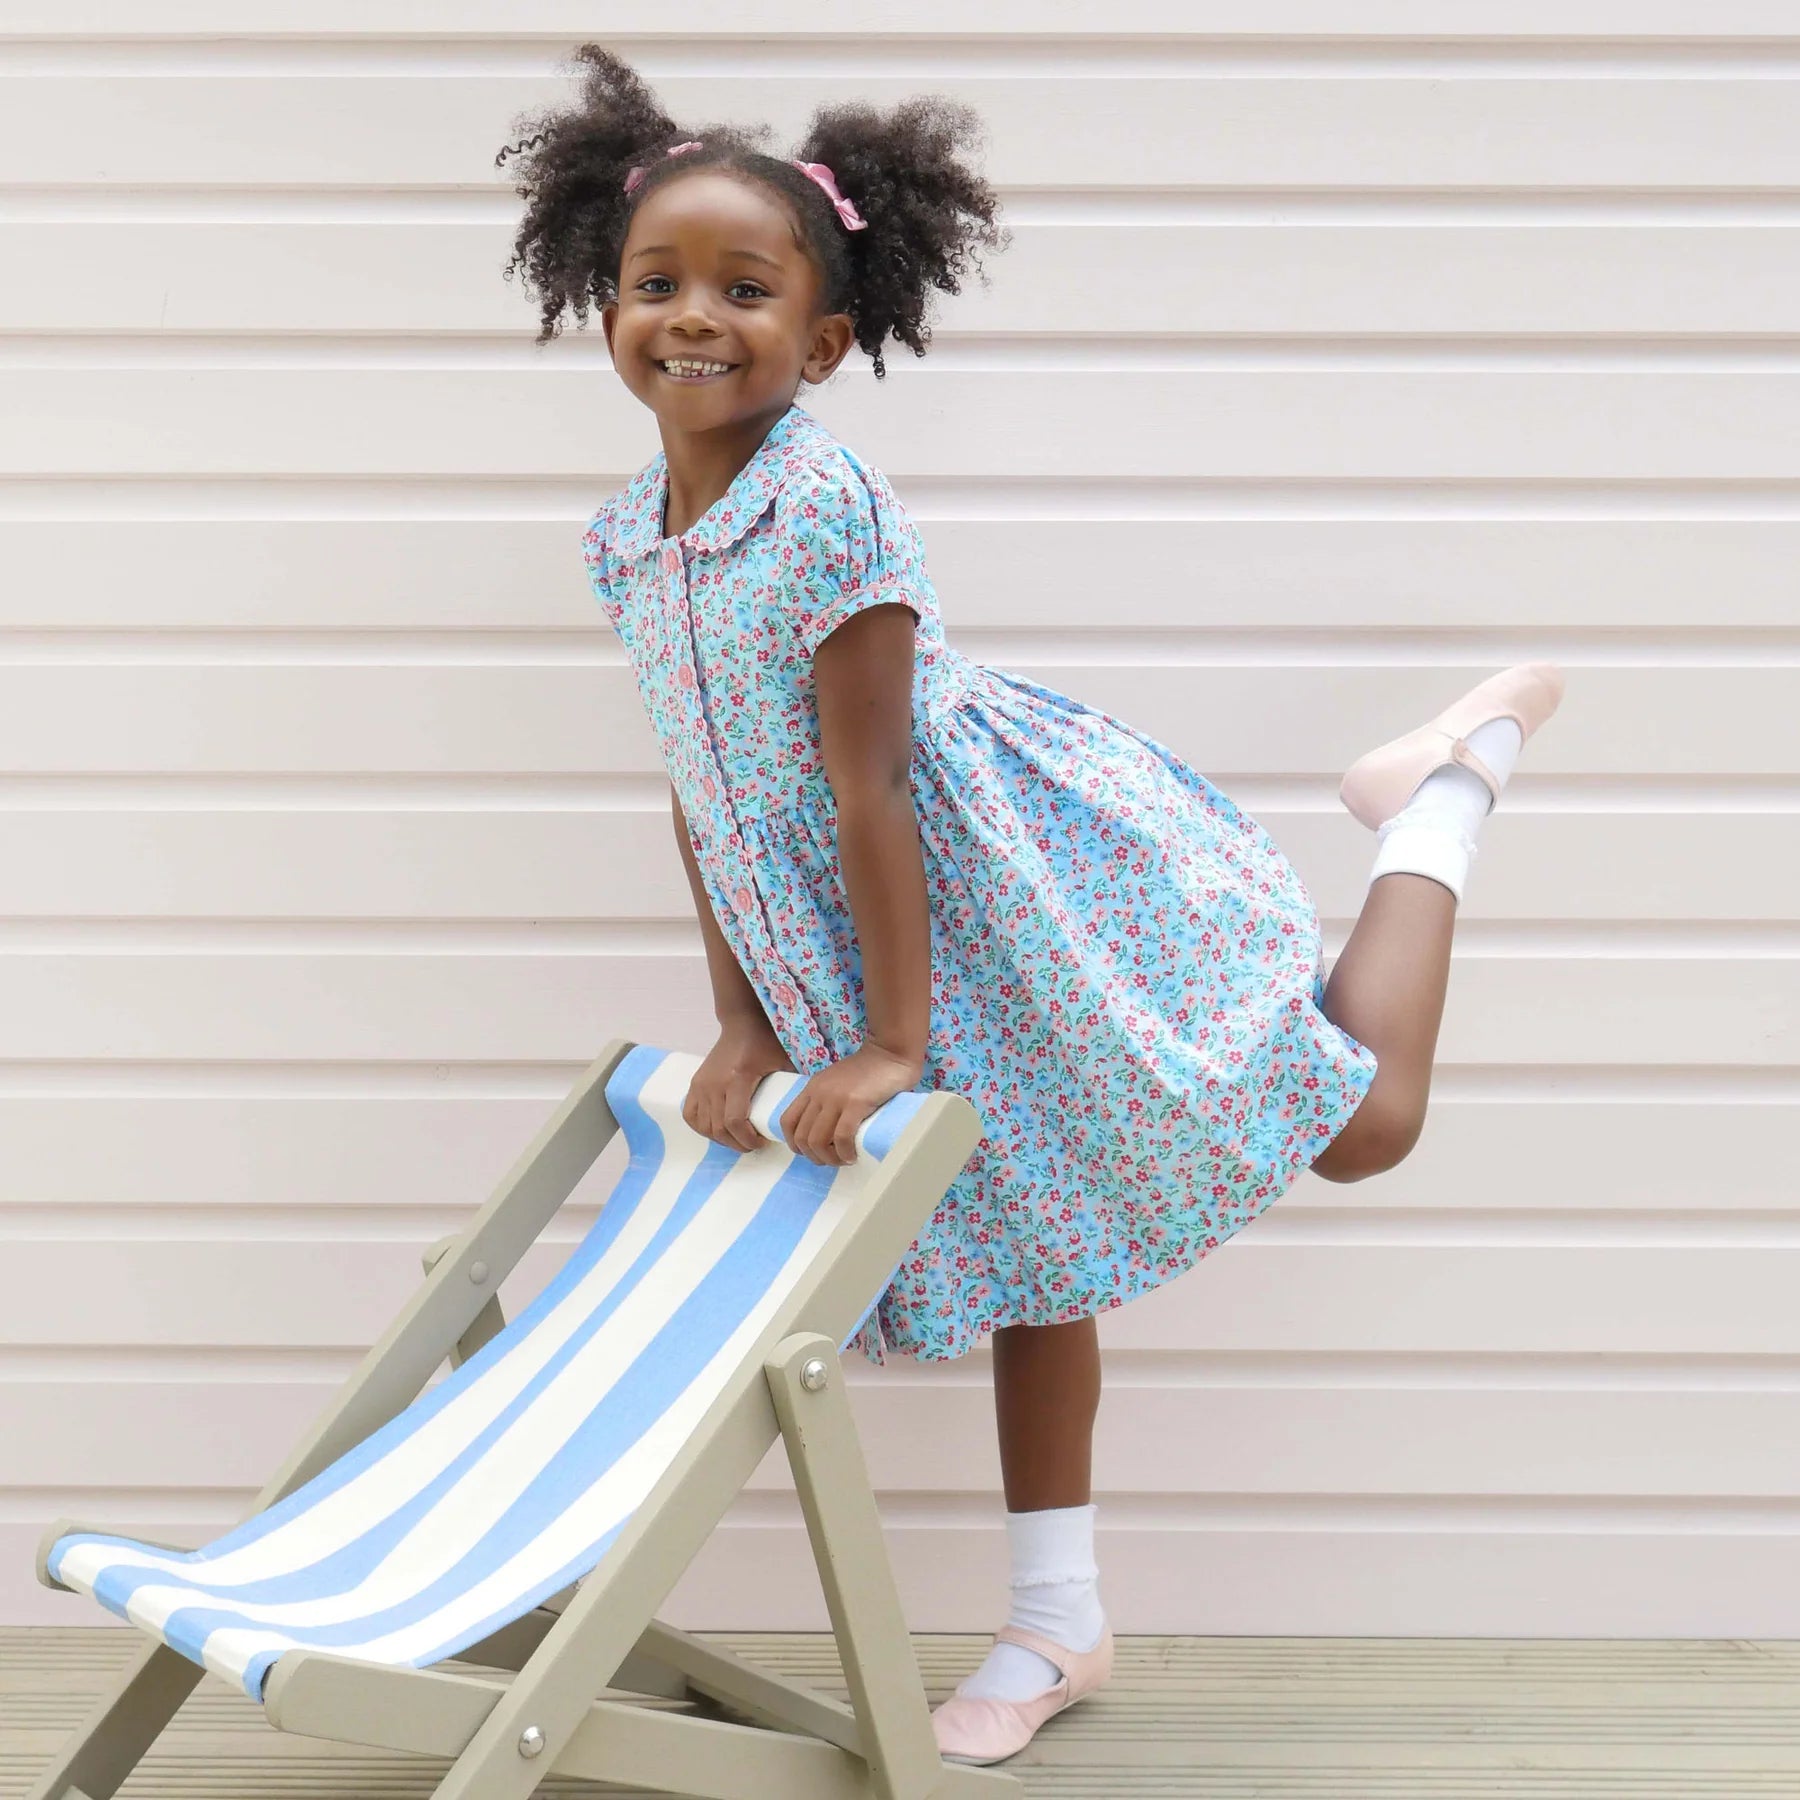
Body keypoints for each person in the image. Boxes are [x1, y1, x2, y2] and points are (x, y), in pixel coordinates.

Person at [500, 46, 1565, 1768]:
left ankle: (1447, 796)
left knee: (1363, 1126)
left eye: (745, 290)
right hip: (872, 938)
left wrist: (896, 1041)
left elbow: (871, 789)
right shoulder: (631, 538)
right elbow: (699, 792)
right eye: (655, 284)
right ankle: (1060, 1619)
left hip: (1017, 888)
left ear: (824, 342)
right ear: (598, 303)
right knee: (1034, 1239)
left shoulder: (826, 503)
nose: (692, 318)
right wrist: (751, 1021)